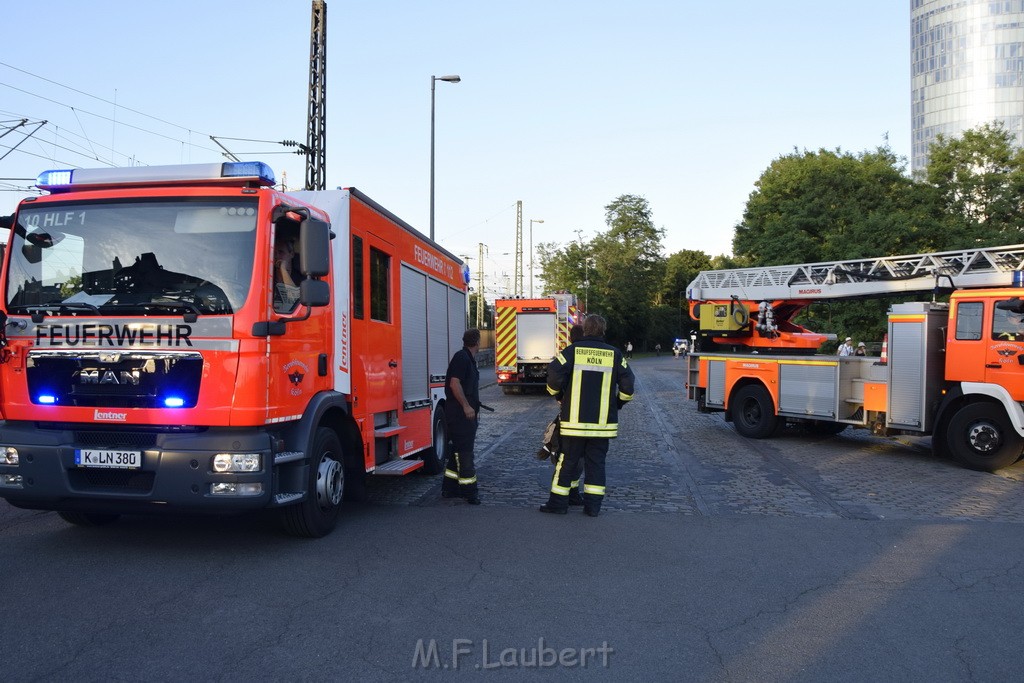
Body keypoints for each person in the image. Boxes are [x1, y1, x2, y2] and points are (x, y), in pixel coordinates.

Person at [540, 314, 635, 517]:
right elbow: (628, 387)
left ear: (585, 330)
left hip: (574, 424)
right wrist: (617, 404)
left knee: (567, 462)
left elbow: (554, 375)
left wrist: (558, 395)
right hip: (602, 426)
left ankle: (558, 504)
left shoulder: (572, 351)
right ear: (603, 330)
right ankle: (592, 508)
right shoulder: (614, 354)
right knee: (596, 465)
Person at [441, 329, 482, 505]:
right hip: (460, 415)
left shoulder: (467, 358)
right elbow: (454, 383)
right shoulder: (462, 358)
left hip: (462, 414)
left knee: (457, 451)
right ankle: (469, 492)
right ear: (477, 342)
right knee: (465, 453)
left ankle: (450, 488)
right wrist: (466, 406)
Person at [273, 236, 301, 312]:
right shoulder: (267, 277)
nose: (277, 256)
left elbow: (293, 299)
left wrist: (283, 270)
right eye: (274, 253)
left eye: (281, 252)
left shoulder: (301, 279)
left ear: (291, 254)